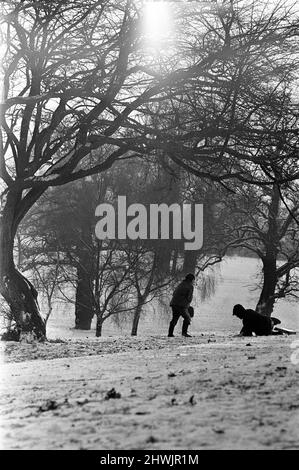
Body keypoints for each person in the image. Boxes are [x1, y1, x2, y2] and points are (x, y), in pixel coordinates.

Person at [168, 273, 195, 337]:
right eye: (193, 280)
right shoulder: (190, 286)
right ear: (191, 280)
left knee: (175, 318)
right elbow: (189, 298)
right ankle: (184, 333)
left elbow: (174, 293)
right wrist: (187, 304)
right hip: (181, 305)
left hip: (174, 304)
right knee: (187, 317)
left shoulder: (181, 284)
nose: (194, 281)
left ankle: (170, 333)